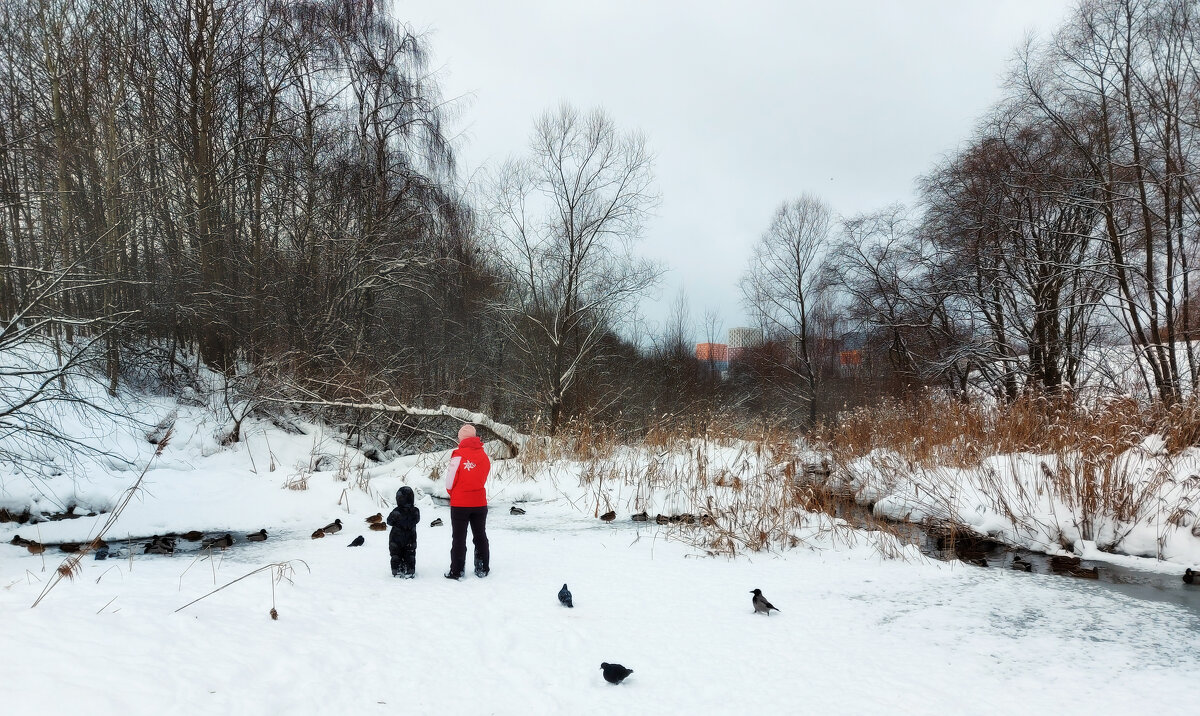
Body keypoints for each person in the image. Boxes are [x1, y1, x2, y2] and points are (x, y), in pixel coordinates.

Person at [444, 423, 491, 579]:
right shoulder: (484, 456)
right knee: (480, 536)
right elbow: (482, 477)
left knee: (458, 538)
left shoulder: (457, 455)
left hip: (460, 504)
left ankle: (457, 571)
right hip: (479, 502)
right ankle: (482, 568)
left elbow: (450, 482)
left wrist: (453, 493)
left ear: (461, 439)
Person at [387, 486, 420, 578]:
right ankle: (410, 569)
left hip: (396, 538)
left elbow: (389, 521)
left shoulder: (396, 512)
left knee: (396, 554)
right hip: (411, 538)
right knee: (410, 554)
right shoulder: (415, 511)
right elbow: (417, 520)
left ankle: (396, 569)